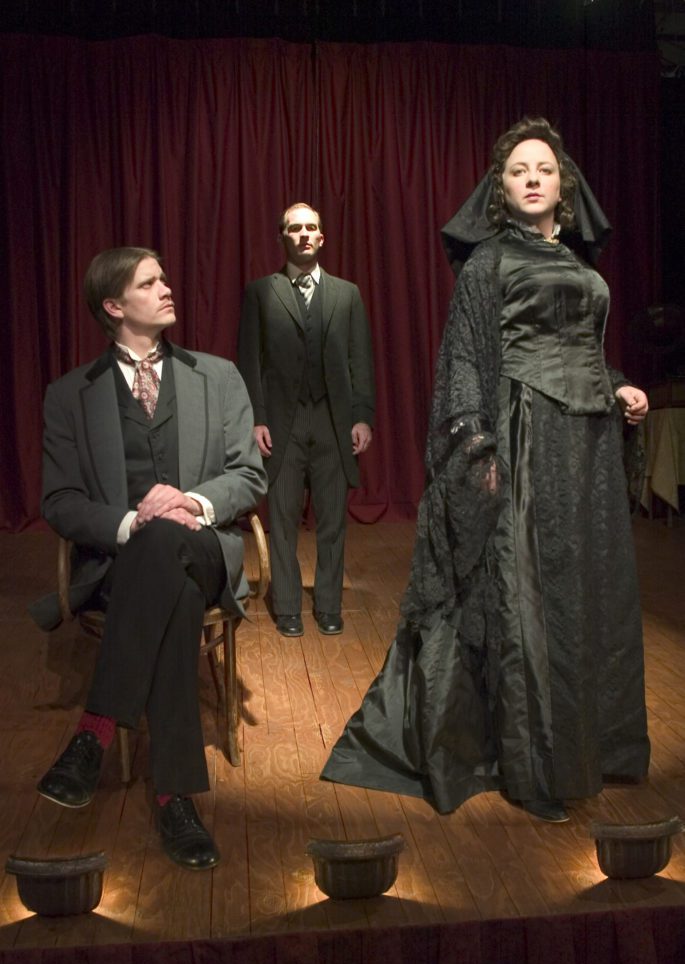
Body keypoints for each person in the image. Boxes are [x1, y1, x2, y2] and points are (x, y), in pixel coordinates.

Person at [321, 117, 650, 823]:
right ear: (498, 191)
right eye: (517, 171)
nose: (533, 178)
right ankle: (535, 770)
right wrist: (475, 446)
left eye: (545, 169)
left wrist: (617, 383)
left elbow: (580, 346)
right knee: (526, 600)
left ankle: (596, 747)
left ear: (564, 186)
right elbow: (465, 357)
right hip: (523, 436)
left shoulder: (582, 265)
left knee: (583, 597)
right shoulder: (486, 263)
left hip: (585, 449)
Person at [30, 247, 267, 868]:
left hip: (207, 547)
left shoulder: (218, 376)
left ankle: (95, 732)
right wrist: (130, 520)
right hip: (121, 563)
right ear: (114, 307)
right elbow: (59, 501)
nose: (167, 288)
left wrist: (190, 499)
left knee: (170, 543)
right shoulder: (68, 396)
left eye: (165, 276)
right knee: (173, 588)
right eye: (150, 281)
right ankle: (176, 798)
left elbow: (249, 476)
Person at [237, 203, 375, 638]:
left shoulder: (346, 293)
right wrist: (256, 418)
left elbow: (360, 360)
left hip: (334, 422)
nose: (303, 234)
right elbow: (249, 361)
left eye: (311, 227)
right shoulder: (261, 292)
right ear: (282, 237)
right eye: (294, 228)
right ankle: (289, 606)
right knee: (281, 518)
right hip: (283, 422)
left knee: (333, 518)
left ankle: (329, 605)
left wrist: (362, 417)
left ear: (322, 237)